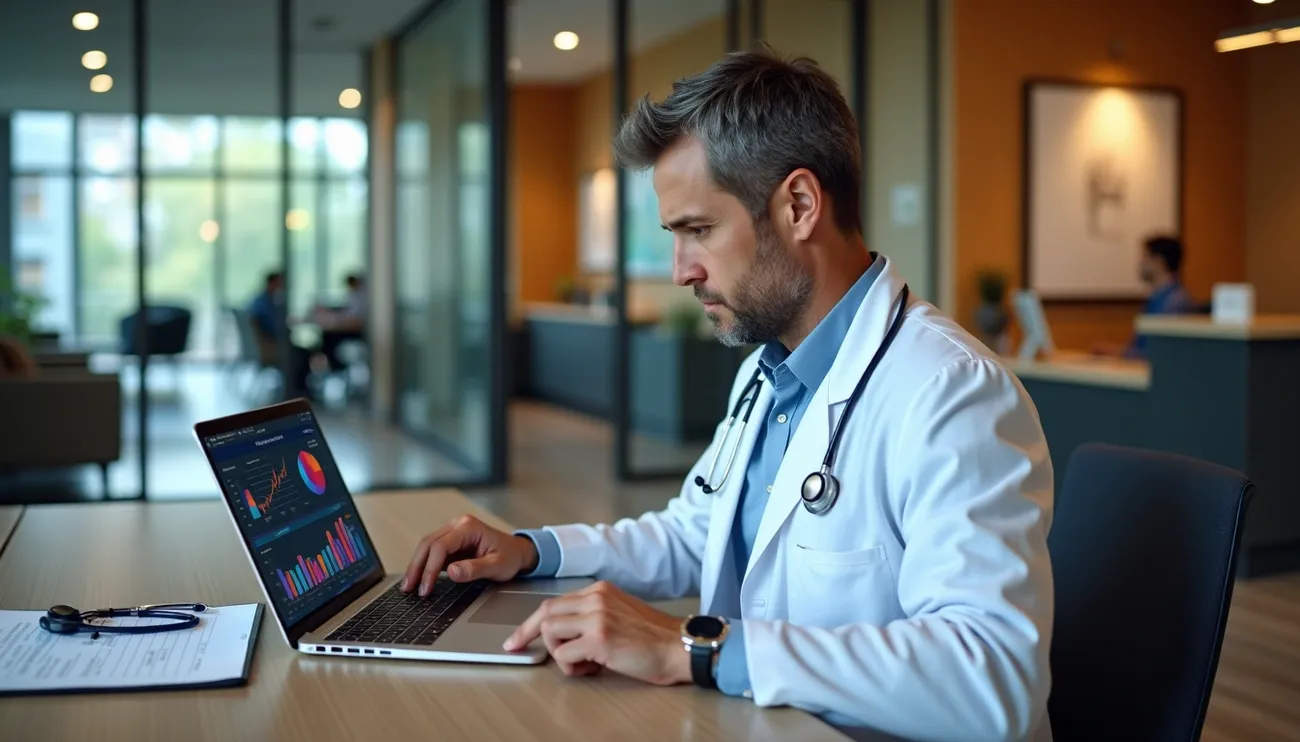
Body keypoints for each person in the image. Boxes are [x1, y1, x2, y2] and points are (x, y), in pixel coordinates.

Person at [402, 50, 1054, 742]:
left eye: (698, 231)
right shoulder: (767, 372)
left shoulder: (952, 392)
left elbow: (993, 678)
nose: (681, 270)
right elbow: (696, 533)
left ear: (799, 206)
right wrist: (534, 552)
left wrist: (697, 646)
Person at [1095, 235, 1196, 358]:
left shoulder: (1176, 302)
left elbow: (1159, 353)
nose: (1140, 263)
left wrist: (1118, 352)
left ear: (1158, 261)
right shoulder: (1156, 298)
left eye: (1144, 257)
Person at [247, 271, 312, 396]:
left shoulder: (265, 300)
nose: (282, 286)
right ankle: (299, 391)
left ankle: (300, 389)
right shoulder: (263, 303)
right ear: (272, 282)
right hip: (272, 346)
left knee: (304, 351)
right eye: (279, 282)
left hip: (271, 344)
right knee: (303, 354)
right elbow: (272, 326)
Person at [314, 273, 367, 371]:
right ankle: (330, 366)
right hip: (349, 329)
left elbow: (355, 318)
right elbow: (347, 313)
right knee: (327, 337)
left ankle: (334, 368)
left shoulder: (362, 297)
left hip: (357, 332)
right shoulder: (352, 295)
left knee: (329, 338)